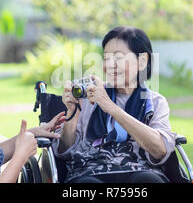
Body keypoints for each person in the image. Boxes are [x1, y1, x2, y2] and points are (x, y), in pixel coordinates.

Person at [52, 26, 176, 183]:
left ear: (142, 61)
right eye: (106, 58)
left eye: (118, 58)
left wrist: (111, 107)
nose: (110, 65)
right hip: (89, 171)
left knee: (148, 180)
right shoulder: (88, 96)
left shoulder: (155, 102)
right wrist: (73, 114)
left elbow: (160, 150)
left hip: (140, 170)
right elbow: (64, 150)